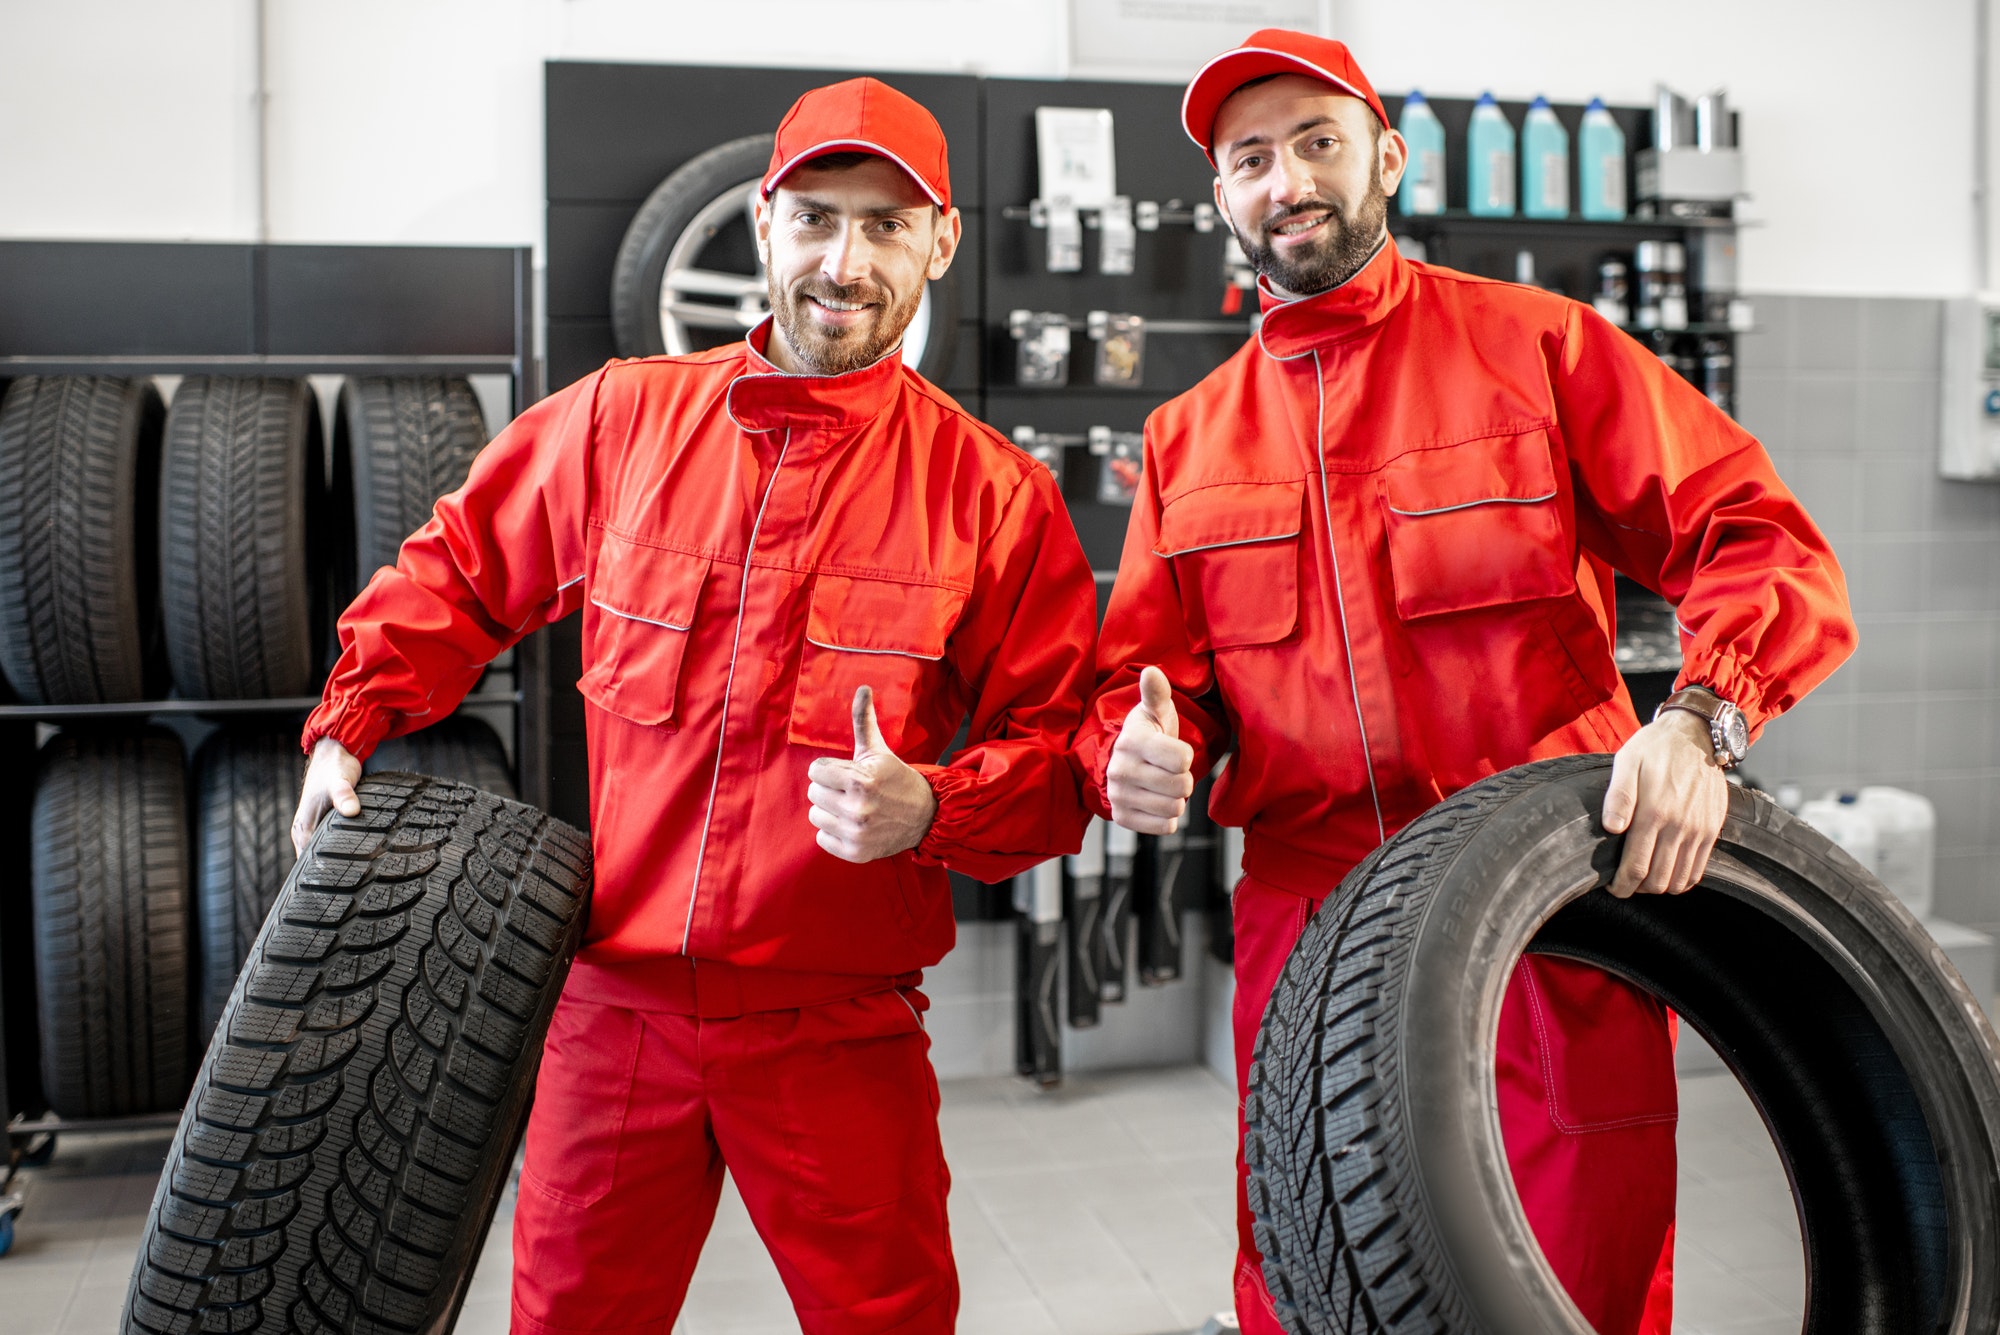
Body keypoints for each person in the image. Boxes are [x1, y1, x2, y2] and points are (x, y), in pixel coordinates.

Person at [290, 77, 1098, 1335]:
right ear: (764, 221)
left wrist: (931, 809)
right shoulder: (623, 421)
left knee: (887, 1322)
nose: (844, 262)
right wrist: (352, 719)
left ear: (940, 242)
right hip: (617, 1010)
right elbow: (460, 568)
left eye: (886, 225)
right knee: (569, 1321)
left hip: (836, 1021)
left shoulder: (991, 497)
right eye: (816, 218)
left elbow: (1056, 759)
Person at [1076, 30, 1855, 1335]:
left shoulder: (1538, 349)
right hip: (1313, 923)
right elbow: (1150, 680)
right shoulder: (1184, 439)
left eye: (1317, 142)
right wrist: (1136, 746)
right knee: (1308, 1269)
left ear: (1386, 157)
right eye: (1250, 159)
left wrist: (1700, 723)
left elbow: (1759, 539)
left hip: (1548, 908)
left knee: (1578, 1272)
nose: (1287, 181)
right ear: (1221, 197)